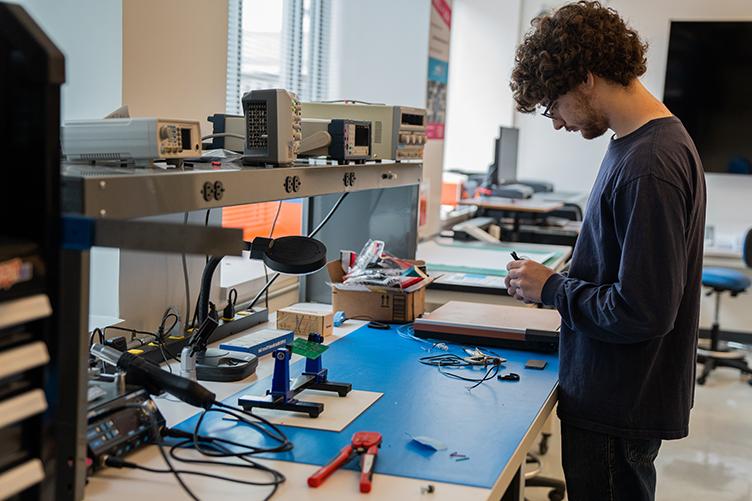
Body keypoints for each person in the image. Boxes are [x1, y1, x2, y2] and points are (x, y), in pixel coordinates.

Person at [506, 2, 706, 500]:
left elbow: (644, 311)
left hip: (618, 405)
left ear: (586, 78)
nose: (556, 123)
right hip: (614, 393)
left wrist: (552, 288)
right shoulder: (636, 143)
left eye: (554, 105)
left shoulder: (650, 163)